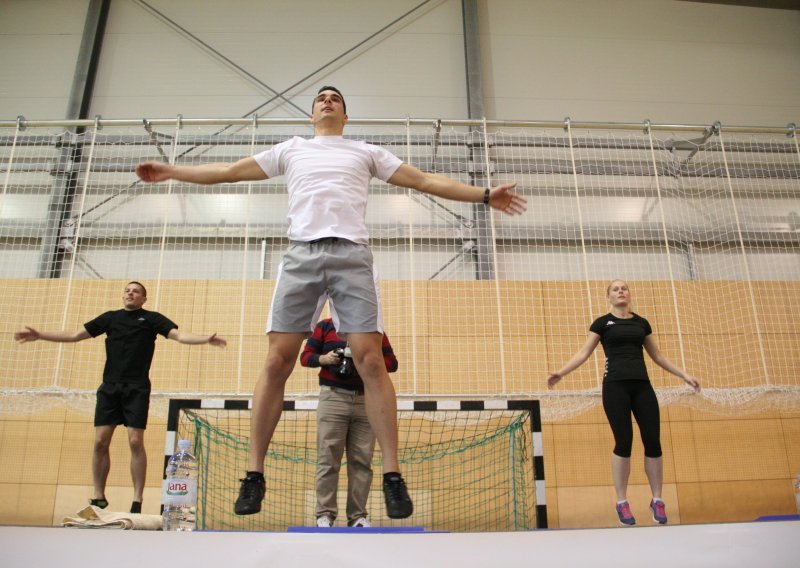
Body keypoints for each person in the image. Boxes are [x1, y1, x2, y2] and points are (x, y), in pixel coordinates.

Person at [135, 85, 527, 520]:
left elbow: (424, 181)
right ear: (311, 113)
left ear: (344, 114)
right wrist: (172, 171)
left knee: (371, 361)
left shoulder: (366, 151)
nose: (327, 101)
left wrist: (486, 195)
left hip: (352, 257)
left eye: (335, 98)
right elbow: (228, 171)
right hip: (301, 255)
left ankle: (393, 475)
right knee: (275, 362)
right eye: (321, 97)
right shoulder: (291, 150)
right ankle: (253, 474)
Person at [14, 281, 226, 514]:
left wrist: (205, 339)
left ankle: (137, 500)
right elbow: (75, 335)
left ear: (144, 299)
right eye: (127, 290)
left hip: (137, 389)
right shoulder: (110, 318)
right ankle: (98, 496)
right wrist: (40, 335)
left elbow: (179, 335)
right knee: (100, 442)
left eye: (136, 291)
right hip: (109, 388)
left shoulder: (152, 319)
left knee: (135, 441)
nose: (130, 293)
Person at [546, 279, 700, 526]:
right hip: (615, 387)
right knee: (624, 441)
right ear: (609, 297)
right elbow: (584, 352)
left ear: (629, 295)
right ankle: (621, 502)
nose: (620, 292)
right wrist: (561, 373)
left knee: (653, 440)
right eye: (615, 289)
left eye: (624, 288)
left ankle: (657, 499)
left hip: (642, 386)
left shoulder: (641, 323)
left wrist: (684, 375)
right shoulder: (602, 323)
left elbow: (657, 355)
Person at [301, 315, 398, 528]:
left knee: (362, 461)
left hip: (367, 401)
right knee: (328, 458)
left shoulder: (373, 329)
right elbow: (305, 357)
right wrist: (324, 359)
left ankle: (358, 517)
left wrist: (366, 357)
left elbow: (392, 364)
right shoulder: (325, 326)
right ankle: (324, 515)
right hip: (333, 397)